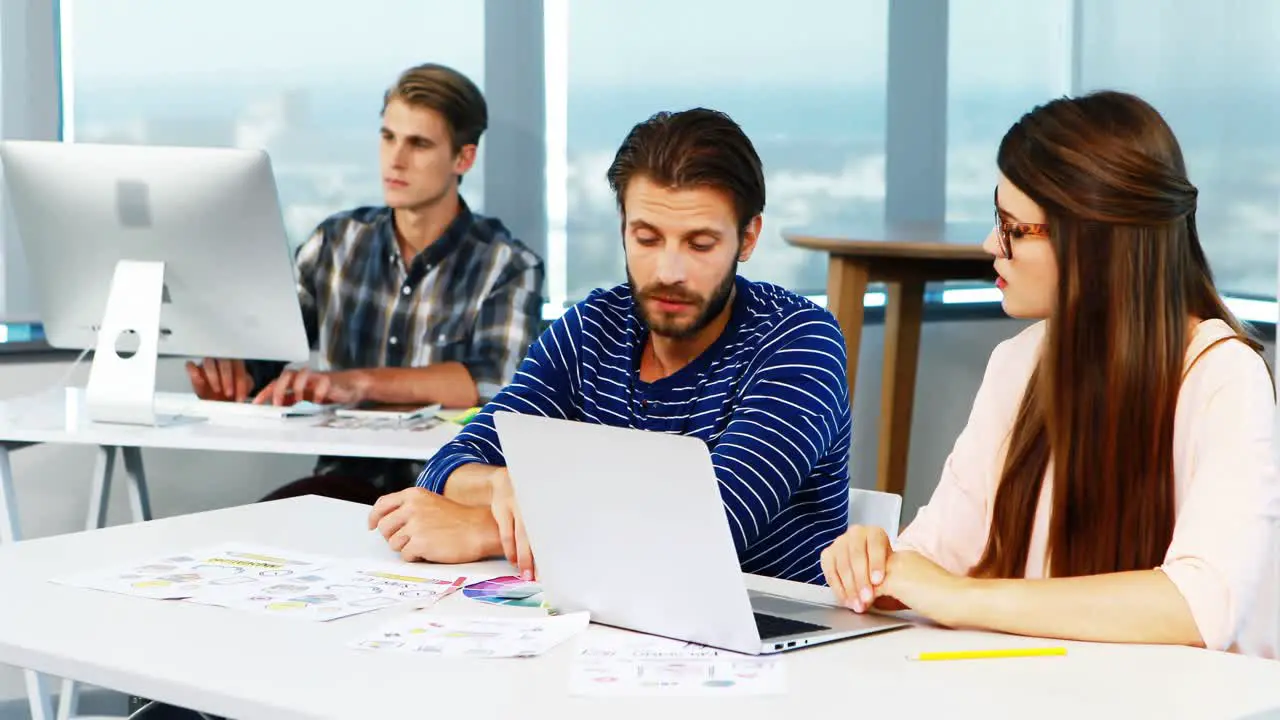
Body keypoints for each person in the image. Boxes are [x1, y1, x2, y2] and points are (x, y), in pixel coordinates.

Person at [821, 90, 1279, 657]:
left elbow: (1198, 605)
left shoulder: (1223, 375)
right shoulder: (1018, 363)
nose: (992, 244)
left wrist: (959, 597)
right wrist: (876, 564)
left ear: (1092, 240)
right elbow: (935, 558)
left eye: (1012, 227)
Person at [367, 107, 852, 584]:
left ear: (748, 239)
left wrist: (490, 528)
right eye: (646, 238)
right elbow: (446, 468)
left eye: (700, 245)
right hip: (614, 627)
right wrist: (501, 483)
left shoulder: (800, 342)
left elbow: (708, 528)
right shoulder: (591, 329)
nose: (668, 272)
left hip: (772, 635)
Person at [185, 63, 545, 504]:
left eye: (419, 144)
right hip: (346, 483)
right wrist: (234, 377)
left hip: (447, 493)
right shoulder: (336, 243)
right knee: (262, 527)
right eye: (388, 136)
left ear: (463, 158)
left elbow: (491, 381)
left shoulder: (508, 264)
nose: (395, 159)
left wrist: (355, 383)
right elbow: (271, 356)